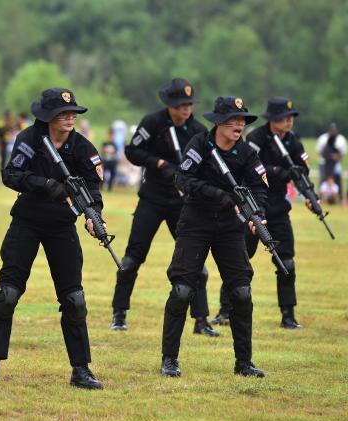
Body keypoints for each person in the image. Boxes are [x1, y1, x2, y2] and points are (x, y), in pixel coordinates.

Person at [0, 88, 104, 389]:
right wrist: (45, 184)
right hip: (27, 221)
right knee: (7, 294)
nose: (71, 117)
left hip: (62, 225)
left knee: (74, 299)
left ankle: (81, 370)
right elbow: (11, 175)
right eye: (63, 113)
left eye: (73, 113)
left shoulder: (83, 148)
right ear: (47, 117)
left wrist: (93, 215)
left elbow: (92, 191)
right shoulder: (29, 140)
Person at [161, 96, 267, 378]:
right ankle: (169, 359)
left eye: (242, 120)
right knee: (182, 290)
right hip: (196, 221)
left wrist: (258, 214)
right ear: (218, 123)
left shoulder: (247, 153)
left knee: (242, 292)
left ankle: (244, 362)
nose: (239, 125)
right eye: (233, 119)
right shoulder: (199, 144)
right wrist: (220, 195)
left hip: (230, 227)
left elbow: (258, 187)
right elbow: (183, 179)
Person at [110, 78, 218, 337]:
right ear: (170, 105)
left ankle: (201, 320)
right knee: (132, 258)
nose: (186, 110)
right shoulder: (153, 122)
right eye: (181, 105)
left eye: (189, 105)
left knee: (194, 261)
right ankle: (119, 313)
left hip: (183, 202)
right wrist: (158, 163)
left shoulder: (198, 130)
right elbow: (132, 151)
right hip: (152, 198)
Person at [211, 98, 313, 329]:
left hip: (278, 209)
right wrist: (279, 171)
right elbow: (253, 170)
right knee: (239, 262)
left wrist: (308, 192)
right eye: (283, 118)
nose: (288, 122)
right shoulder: (255, 139)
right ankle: (225, 310)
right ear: (272, 119)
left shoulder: (294, 141)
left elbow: (302, 171)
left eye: (290, 118)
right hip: (253, 206)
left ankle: (288, 315)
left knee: (286, 261)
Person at [316, 123, 345, 201]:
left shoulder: (340, 139)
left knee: (338, 181)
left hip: (336, 164)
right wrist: (330, 156)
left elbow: (342, 153)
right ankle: (320, 198)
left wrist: (336, 157)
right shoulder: (323, 138)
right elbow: (319, 151)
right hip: (324, 163)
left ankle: (340, 199)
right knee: (323, 180)